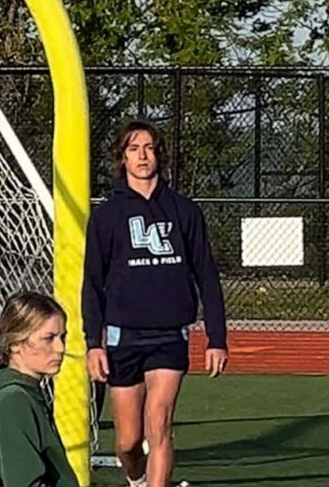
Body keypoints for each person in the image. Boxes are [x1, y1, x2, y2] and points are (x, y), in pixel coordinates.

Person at [82, 120, 228, 487]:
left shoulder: (184, 210)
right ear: (122, 158)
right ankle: (137, 478)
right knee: (129, 443)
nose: (142, 156)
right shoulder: (105, 216)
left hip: (169, 336)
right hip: (122, 338)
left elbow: (207, 276)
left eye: (148, 148)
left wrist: (217, 338)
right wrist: (93, 343)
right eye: (133, 149)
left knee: (159, 424)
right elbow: (93, 283)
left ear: (158, 154)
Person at [0, 292, 77, 487]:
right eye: (49, 338)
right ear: (16, 344)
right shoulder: (13, 401)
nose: (60, 348)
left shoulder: (23, 390)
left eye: (62, 337)